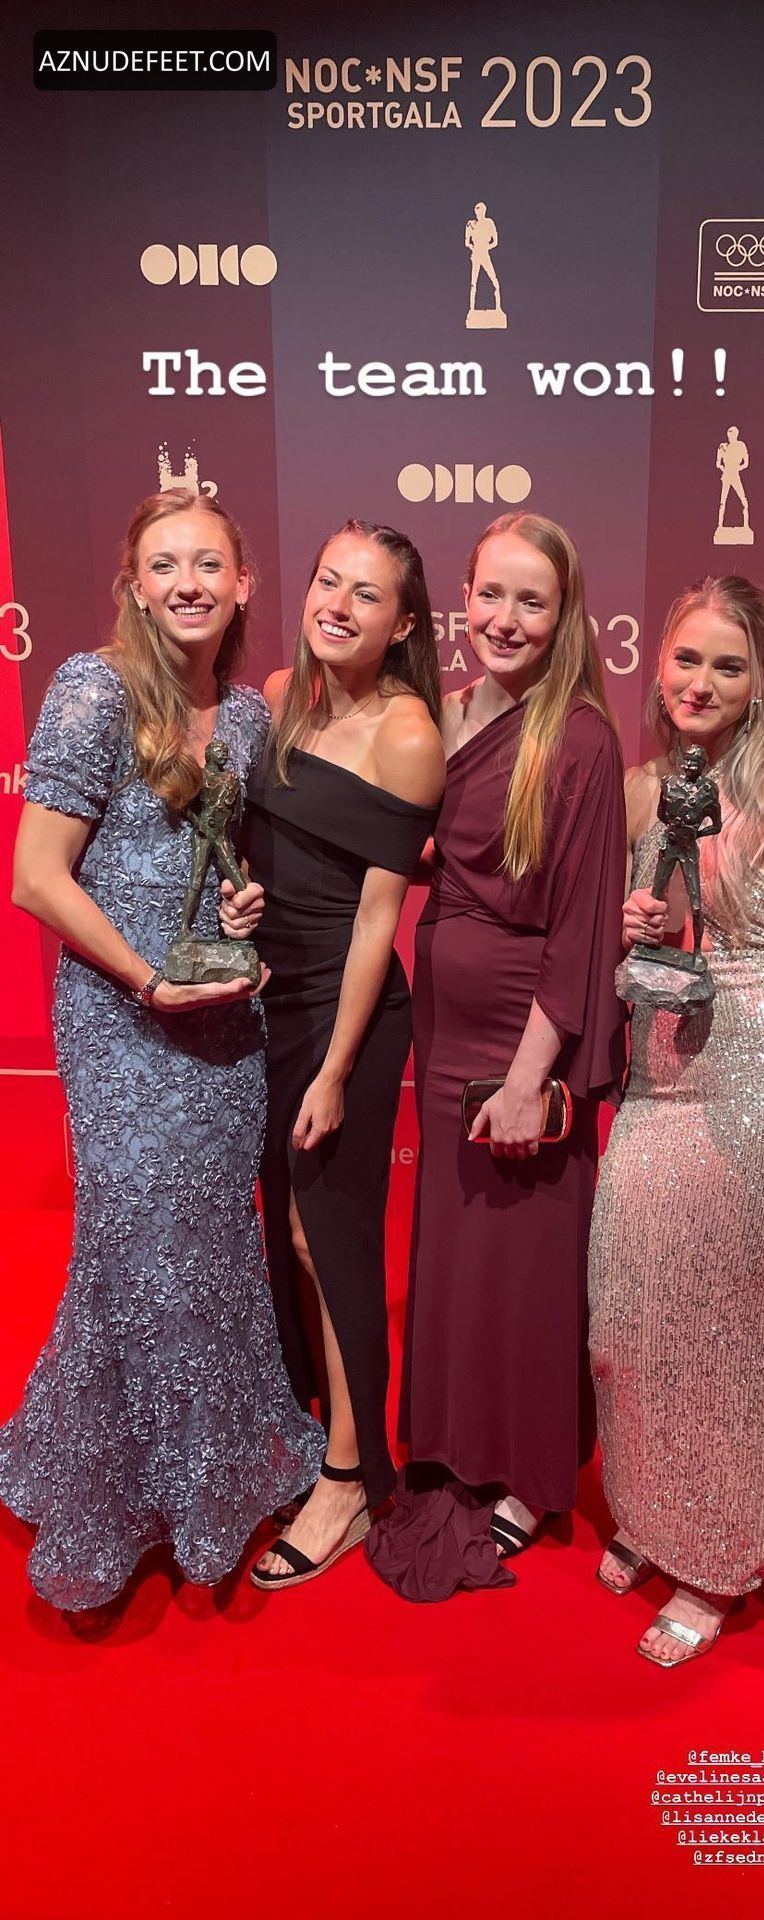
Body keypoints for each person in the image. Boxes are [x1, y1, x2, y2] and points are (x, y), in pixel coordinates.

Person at [0, 489, 325, 1611]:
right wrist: (147, 979)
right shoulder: (92, 691)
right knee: (139, 1247)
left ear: (243, 584)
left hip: (224, 1026)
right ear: (135, 587)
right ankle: (110, 1496)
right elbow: (36, 877)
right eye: (165, 565)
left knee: (206, 1248)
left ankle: (206, 1473)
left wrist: (238, 913)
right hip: (123, 1025)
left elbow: (213, 860)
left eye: (209, 565)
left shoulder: (244, 717)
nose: (189, 583)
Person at [588, 575, 764, 1666]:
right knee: (631, 1321)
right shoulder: (636, 789)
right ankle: (653, 1514)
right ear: (656, 664)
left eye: (728, 665)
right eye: (687, 659)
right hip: (658, 1080)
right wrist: (629, 926)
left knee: (733, 1337)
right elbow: (604, 951)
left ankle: (715, 1559)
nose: (701, 683)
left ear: (762, 683)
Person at [366, 511, 626, 1600]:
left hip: (522, 1045)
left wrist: (529, 1082)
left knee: (526, 1264)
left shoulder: (581, 739)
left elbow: (581, 930)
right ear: (460, 601)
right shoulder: (451, 715)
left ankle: (526, 1473)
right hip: (442, 1037)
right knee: (457, 1253)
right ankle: (450, 1442)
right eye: (491, 594)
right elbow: (455, 861)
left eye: (533, 599)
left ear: (566, 616)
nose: (506, 618)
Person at [241, 521, 445, 1592]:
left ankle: (352, 1477)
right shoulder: (281, 694)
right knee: (284, 1236)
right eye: (329, 581)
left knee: (329, 1244)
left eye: (367, 595)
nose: (338, 604)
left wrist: (333, 1070)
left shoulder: (407, 732)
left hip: (344, 1018)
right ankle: (307, 1427)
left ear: (403, 624)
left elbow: (377, 920)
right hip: (264, 1007)